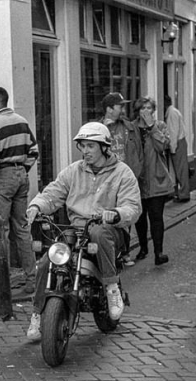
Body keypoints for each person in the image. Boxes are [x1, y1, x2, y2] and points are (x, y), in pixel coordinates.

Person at [25, 122, 142, 340]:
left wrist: (116, 213)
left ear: (104, 147)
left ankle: (112, 288)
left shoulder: (122, 173)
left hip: (109, 230)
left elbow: (132, 207)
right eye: (82, 146)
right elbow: (53, 192)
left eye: (90, 146)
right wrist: (37, 206)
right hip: (77, 229)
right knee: (48, 259)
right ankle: (38, 314)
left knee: (99, 232)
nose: (85, 151)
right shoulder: (73, 171)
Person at [0, 87, 39, 294]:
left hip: (2, 176)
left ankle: (2, 282)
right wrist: (22, 169)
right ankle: (31, 278)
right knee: (22, 229)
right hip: (21, 175)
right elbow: (34, 151)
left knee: (0, 230)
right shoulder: (21, 121)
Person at [99, 91, 142, 265]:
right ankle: (111, 252)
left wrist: (136, 172)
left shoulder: (128, 127)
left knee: (125, 214)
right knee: (106, 215)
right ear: (109, 109)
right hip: (106, 178)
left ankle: (125, 252)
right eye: (120, 106)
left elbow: (138, 150)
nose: (123, 110)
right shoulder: (98, 129)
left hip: (125, 178)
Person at [132, 96, 173, 265]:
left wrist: (152, 127)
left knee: (156, 217)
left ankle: (158, 252)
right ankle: (143, 248)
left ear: (153, 111)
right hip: (137, 180)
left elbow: (162, 146)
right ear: (138, 111)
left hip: (156, 179)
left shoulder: (160, 126)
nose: (146, 111)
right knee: (139, 218)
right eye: (143, 108)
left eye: (149, 108)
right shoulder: (132, 128)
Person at [164, 96, 190, 202]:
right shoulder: (174, 112)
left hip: (178, 143)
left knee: (180, 170)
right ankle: (181, 193)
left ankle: (184, 194)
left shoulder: (171, 114)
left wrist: (173, 148)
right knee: (180, 169)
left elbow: (173, 131)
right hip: (180, 142)